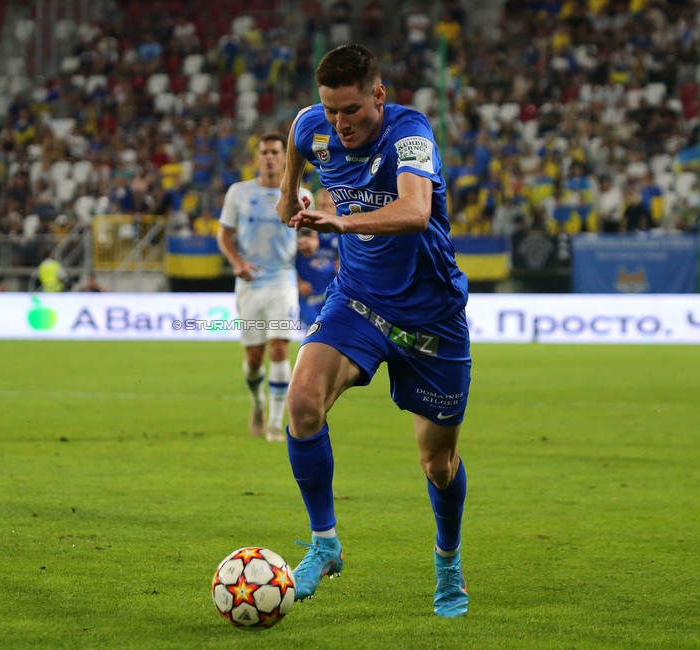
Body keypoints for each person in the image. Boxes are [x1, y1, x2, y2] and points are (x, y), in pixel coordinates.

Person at [276, 45, 471, 618]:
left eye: (352, 110)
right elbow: (297, 134)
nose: (340, 124)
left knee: (438, 463)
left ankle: (447, 559)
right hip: (358, 299)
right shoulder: (316, 126)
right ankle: (324, 543)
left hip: (430, 316)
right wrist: (290, 191)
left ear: (379, 96)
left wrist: (341, 220)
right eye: (331, 110)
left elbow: (414, 211)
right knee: (303, 401)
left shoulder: (412, 134)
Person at [217, 133, 313, 443]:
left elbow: (310, 236)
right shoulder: (239, 193)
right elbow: (224, 235)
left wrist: (310, 243)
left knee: (279, 348)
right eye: (265, 152)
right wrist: (236, 262)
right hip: (250, 283)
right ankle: (258, 402)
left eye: (275, 151)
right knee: (255, 359)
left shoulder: (302, 194)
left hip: (283, 280)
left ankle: (275, 423)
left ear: (284, 158)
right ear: (257, 158)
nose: (270, 157)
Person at [295, 188, 339, 326]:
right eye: (322, 205)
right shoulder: (304, 231)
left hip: (332, 292)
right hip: (309, 292)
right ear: (316, 207)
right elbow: (288, 260)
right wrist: (299, 282)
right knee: (312, 332)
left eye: (330, 205)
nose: (326, 209)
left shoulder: (342, 232)